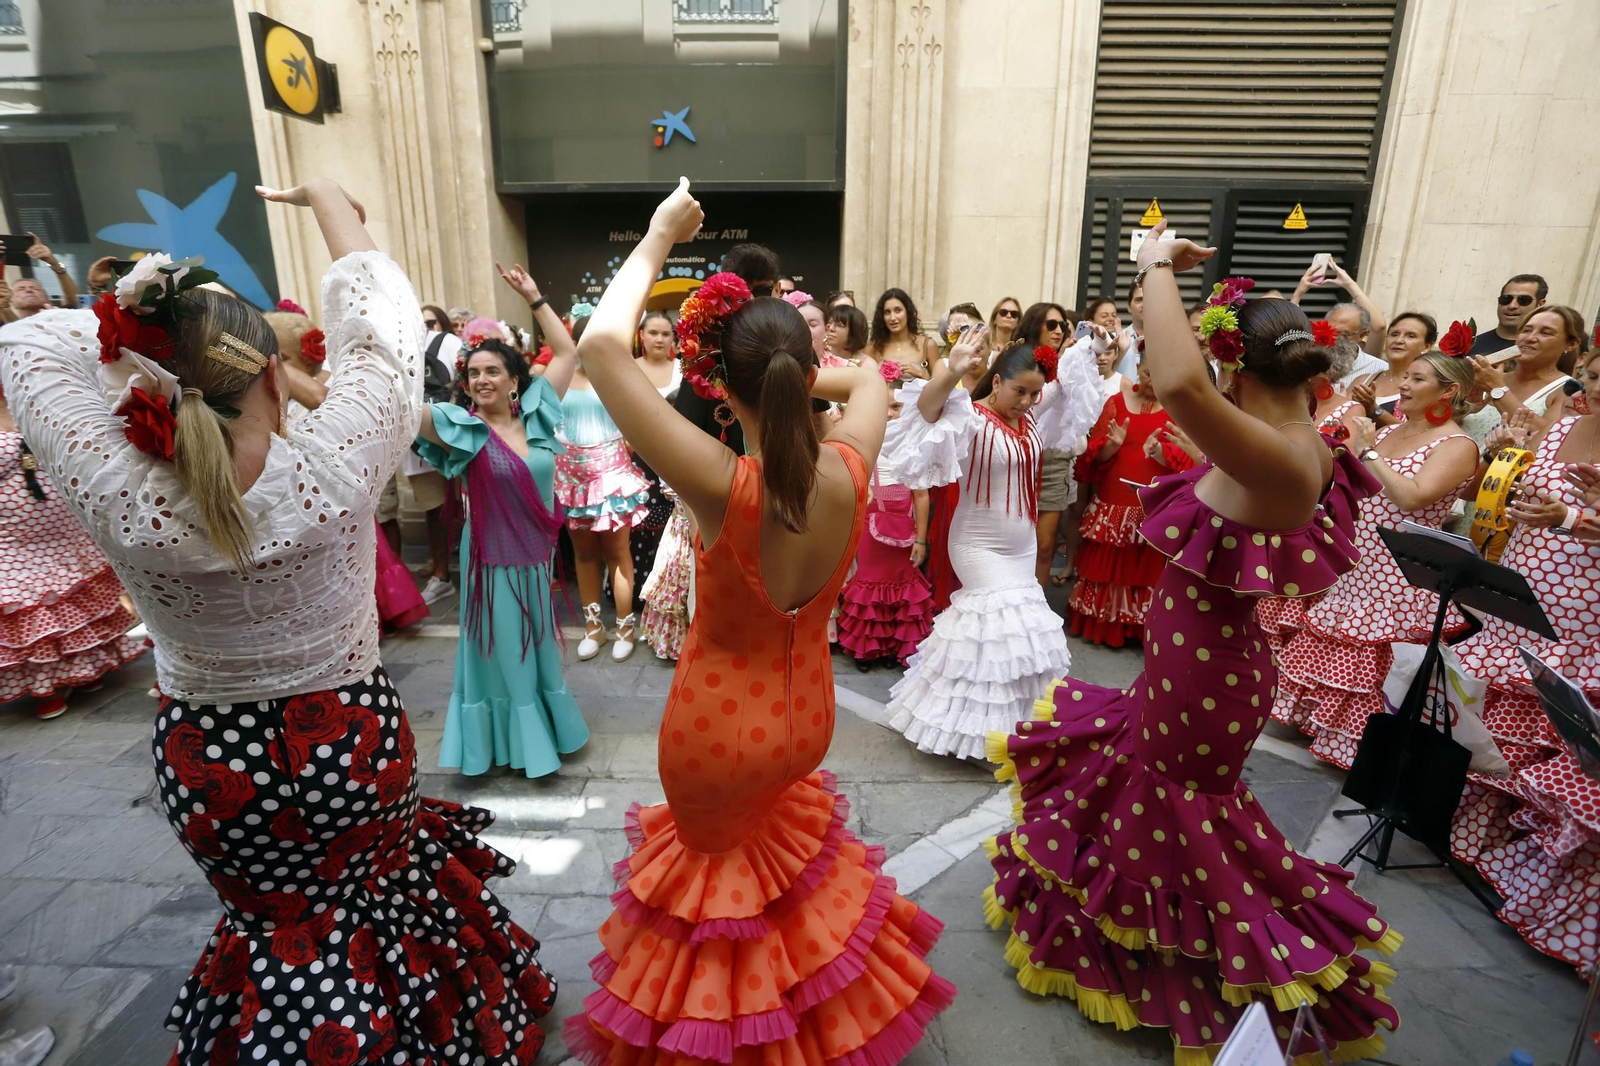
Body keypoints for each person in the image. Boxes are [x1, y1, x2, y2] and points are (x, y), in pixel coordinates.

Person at [0, 177, 559, 1063]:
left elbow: (32, 339)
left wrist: (146, 332)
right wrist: (332, 203)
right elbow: (381, 317)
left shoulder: (113, 488)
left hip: (210, 756)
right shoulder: (336, 461)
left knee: (272, 921)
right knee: (382, 898)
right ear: (275, 372)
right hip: (346, 737)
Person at [563, 177, 955, 1066]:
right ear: (803, 374)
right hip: (806, 721)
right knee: (773, 891)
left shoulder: (721, 483)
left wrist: (662, 234)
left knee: (713, 911)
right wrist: (795, 352)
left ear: (715, 381)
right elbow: (875, 377)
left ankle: (734, 1041)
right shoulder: (854, 459)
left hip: (715, 730)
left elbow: (598, 346)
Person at [985, 226, 1401, 1062]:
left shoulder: (1284, 453)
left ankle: (1221, 965)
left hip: (1210, 677)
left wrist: (1151, 261)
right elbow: (1184, 382)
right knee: (1143, 806)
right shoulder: (1272, 439)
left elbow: (1175, 378)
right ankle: (1131, 945)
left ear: (1234, 368)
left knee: (1180, 820)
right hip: (1190, 663)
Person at [876, 328, 1101, 760]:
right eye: (1019, 391)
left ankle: (1011, 729)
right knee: (1001, 626)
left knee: (1016, 639)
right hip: (977, 544)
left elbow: (1065, 381)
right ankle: (981, 739)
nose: (1027, 401)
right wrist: (952, 368)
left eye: (1034, 394)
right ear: (996, 382)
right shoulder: (971, 417)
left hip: (1021, 546)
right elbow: (926, 410)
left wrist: (1093, 347)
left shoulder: (1031, 416)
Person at [1450, 355, 1600, 977]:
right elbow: (1518, 494)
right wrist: (1505, 469)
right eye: (1594, 369)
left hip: (1586, 607)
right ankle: (1468, 836)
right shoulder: (1565, 422)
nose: (1593, 379)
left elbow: (1575, 517)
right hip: (1528, 581)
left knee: (1544, 726)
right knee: (1489, 713)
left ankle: (1510, 842)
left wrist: (1571, 518)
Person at [1272, 353, 1479, 768]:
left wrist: (1366, 451)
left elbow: (1413, 495)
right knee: (1339, 645)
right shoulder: (1391, 431)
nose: (1403, 384)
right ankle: (1319, 726)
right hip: (1357, 559)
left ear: (1449, 391)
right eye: (1405, 375)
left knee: (1376, 660)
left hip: (1399, 572)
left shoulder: (1457, 444)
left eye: (1417, 379)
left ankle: (1357, 747)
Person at [0, 385, 146, 717]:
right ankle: (60, 679)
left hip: (52, 525)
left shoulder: (31, 393)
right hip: (26, 530)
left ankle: (69, 676)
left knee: (60, 598)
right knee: (44, 601)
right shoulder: (30, 395)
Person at [1066, 351, 1194, 647]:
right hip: (1114, 499)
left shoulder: (1178, 410)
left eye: (1159, 375)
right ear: (1137, 368)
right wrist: (1113, 446)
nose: (1151, 381)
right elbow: (1093, 460)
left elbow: (1192, 464)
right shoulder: (1116, 403)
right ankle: (1105, 625)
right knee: (1107, 566)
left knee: (1146, 567)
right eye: (1147, 373)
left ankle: (1140, 628)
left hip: (1153, 503)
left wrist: (1162, 454)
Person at [551, 309, 652, 662]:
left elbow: (641, 419)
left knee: (617, 553)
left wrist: (625, 448)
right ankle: (594, 627)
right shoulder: (558, 379)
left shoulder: (618, 377)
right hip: (571, 478)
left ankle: (625, 627)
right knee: (584, 553)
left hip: (612, 476)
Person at [837, 389, 934, 669]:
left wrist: (922, 540)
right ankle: (869, 648)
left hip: (905, 529)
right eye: (885, 406)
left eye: (897, 406)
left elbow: (922, 496)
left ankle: (894, 646)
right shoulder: (866, 447)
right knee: (869, 582)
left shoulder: (914, 449)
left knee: (902, 584)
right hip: (870, 528)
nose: (890, 413)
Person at [1013, 302, 1079, 589]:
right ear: (1035, 325)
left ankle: (1036, 609)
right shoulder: (1016, 359)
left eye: (1062, 326)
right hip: (1018, 459)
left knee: (1045, 545)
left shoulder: (1072, 360)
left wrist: (1071, 361)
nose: (1058, 330)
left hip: (1053, 459)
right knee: (1016, 545)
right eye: (1051, 324)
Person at [629, 309, 683, 601]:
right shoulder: (629, 368)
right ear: (642, 336)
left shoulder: (683, 370)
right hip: (633, 458)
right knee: (637, 524)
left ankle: (667, 593)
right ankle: (634, 590)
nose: (659, 339)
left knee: (670, 528)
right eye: (653, 333)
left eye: (665, 333)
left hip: (674, 459)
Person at [1470, 304, 1585, 429]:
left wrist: (1496, 388)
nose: (1530, 338)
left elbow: (1548, 437)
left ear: (1571, 344)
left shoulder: (1570, 390)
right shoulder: (1487, 378)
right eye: (1526, 330)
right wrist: (1466, 407)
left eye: (1546, 333)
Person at [1349, 311, 1437, 426]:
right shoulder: (1364, 380)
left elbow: (1417, 432)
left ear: (1427, 346)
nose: (1399, 340)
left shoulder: (1427, 387)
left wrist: (1375, 411)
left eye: (1411, 336)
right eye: (1394, 334)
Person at [865, 288, 942, 381]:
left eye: (898, 310)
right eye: (887, 312)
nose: (892, 318)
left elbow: (941, 387)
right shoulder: (872, 348)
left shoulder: (927, 345)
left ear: (908, 312)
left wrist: (921, 374)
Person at [0, 234, 77, 324]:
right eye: (21, 289)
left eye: (35, 288)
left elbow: (73, 299)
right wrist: (3, 306)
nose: (29, 290)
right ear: (11, 300)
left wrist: (54, 262)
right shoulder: (5, 324)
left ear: (47, 300)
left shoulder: (62, 318)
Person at [1466, 273, 1547, 356]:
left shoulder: (1546, 352)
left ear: (1540, 305)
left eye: (1523, 300)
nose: (1512, 306)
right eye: (1506, 299)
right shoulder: (1469, 347)